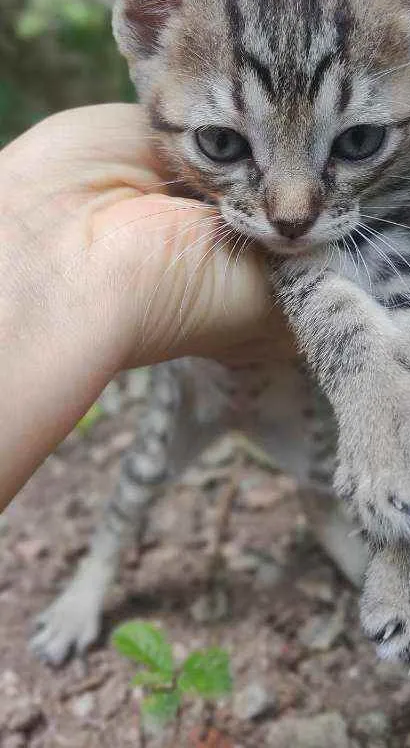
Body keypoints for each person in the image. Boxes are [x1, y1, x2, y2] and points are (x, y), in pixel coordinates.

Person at [0, 103, 291, 509]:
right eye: (222, 142)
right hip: (195, 384)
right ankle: (106, 548)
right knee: (143, 471)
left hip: (286, 401)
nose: (290, 214)